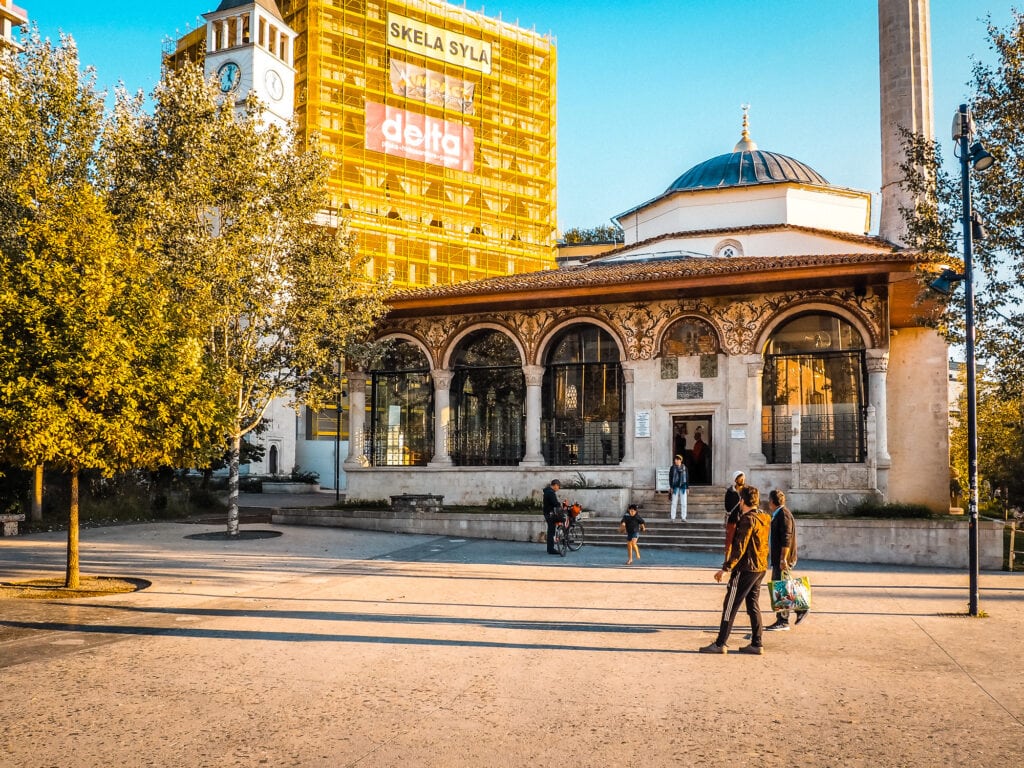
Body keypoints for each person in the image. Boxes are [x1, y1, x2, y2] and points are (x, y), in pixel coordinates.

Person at [700, 484, 770, 654]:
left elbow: (740, 546)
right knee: (753, 604)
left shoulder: (748, 519)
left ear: (742, 500)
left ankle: (720, 643)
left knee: (730, 605)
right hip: (760, 566)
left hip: (745, 568)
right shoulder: (764, 517)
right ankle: (757, 643)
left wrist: (725, 568)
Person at [765, 489, 808, 630]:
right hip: (779, 558)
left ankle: (783, 620)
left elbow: (786, 538)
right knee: (785, 587)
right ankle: (799, 610)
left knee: (781, 588)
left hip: (783, 559)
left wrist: (783, 558)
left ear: (772, 501)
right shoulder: (779, 514)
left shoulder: (783, 515)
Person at [723, 470, 745, 553]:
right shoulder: (730, 491)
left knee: (741, 542)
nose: (742, 480)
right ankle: (727, 561)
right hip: (733, 519)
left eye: (743, 478)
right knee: (729, 541)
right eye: (740, 479)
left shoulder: (746, 491)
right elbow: (727, 506)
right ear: (735, 480)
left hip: (743, 520)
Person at [542, 479, 563, 555]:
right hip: (550, 514)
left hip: (547, 513)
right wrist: (560, 505)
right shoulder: (550, 493)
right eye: (558, 486)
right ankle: (551, 549)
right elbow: (555, 503)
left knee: (550, 531)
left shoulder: (548, 491)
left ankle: (549, 548)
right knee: (551, 531)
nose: (558, 488)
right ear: (555, 485)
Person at [669, 454, 688, 521]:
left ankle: (683, 517)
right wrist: (671, 487)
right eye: (675, 459)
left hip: (683, 487)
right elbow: (670, 478)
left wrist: (687, 487)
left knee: (684, 503)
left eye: (677, 459)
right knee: (674, 502)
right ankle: (673, 517)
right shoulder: (672, 468)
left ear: (680, 460)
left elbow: (687, 478)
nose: (675, 461)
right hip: (675, 487)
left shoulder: (684, 468)